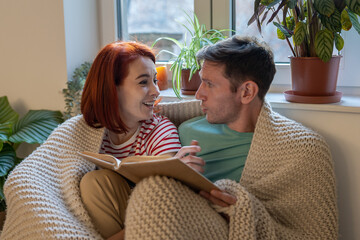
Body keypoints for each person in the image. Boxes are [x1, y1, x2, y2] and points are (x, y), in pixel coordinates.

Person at [123, 36, 338, 239]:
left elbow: (318, 235)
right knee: (100, 185)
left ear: (246, 92)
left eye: (209, 84)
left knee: (153, 191)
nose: (198, 94)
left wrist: (242, 209)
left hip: (225, 230)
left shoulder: (302, 150)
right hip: (172, 224)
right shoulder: (187, 129)